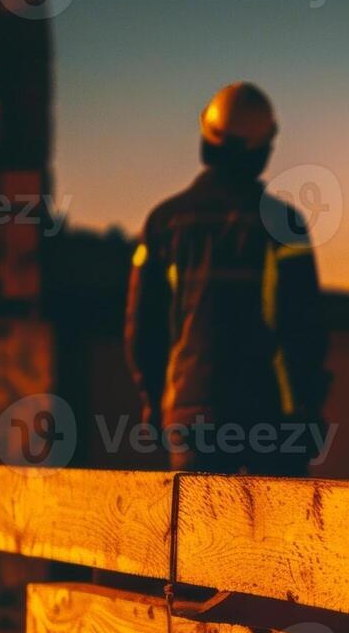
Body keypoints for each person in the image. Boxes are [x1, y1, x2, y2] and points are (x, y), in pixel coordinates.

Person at [125, 82, 330, 474]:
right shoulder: (283, 224)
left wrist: (153, 399)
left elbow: (141, 327)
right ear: (263, 150)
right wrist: (309, 405)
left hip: (192, 416)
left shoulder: (162, 223)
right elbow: (304, 327)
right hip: (273, 418)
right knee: (276, 536)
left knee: (199, 535)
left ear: (207, 140)